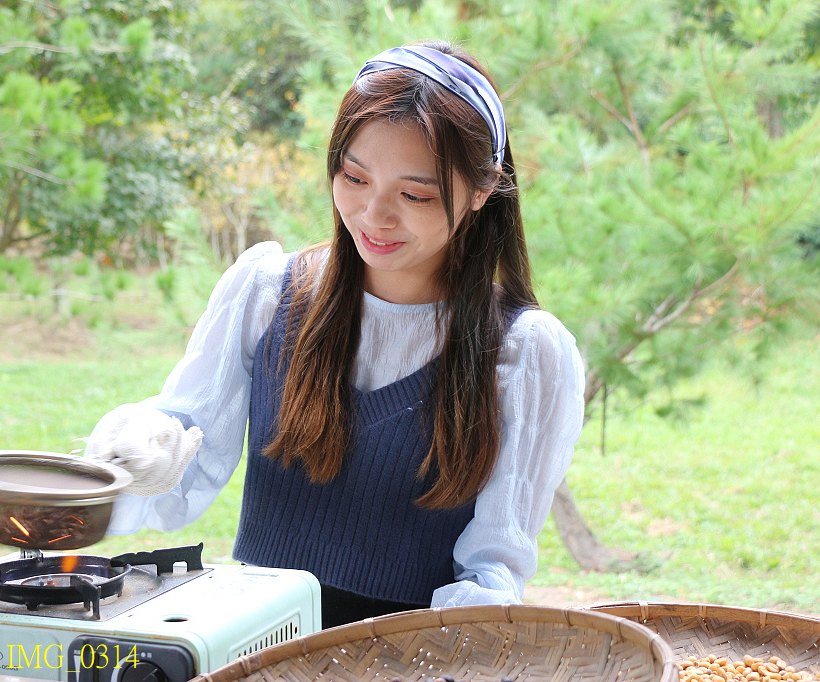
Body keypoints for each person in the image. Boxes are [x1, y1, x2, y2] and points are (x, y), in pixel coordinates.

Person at [84, 40, 585, 629]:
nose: (374, 215)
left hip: (406, 660)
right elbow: (183, 463)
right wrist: (138, 452)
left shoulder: (523, 352)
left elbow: (492, 572)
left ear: (481, 190)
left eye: (415, 194)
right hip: (255, 642)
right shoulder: (268, 292)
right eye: (354, 176)